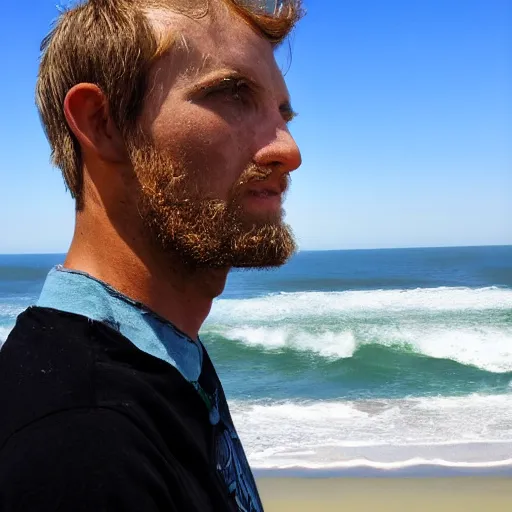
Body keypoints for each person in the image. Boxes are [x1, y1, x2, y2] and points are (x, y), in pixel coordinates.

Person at [0, 0, 303, 510]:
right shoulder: (80, 444)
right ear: (103, 122)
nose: (289, 150)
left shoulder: (161, 356)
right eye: (232, 96)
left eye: (281, 114)